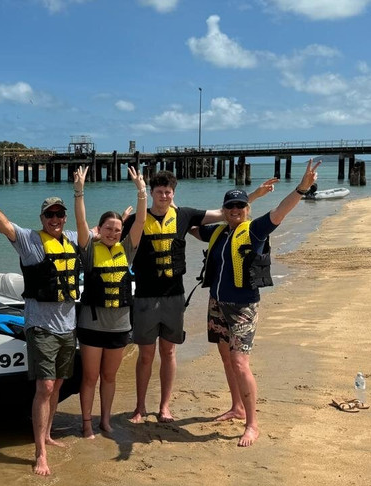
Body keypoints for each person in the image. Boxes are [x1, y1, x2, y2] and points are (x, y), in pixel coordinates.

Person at [125, 170, 277, 423]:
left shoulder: (184, 215)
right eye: (159, 192)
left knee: (169, 352)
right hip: (144, 297)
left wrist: (255, 195)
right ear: (151, 193)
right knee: (145, 355)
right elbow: (113, 240)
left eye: (168, 192)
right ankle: (140, 407)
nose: (163, 196)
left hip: (174, 296)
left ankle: (164, 407)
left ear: (173, 193)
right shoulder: (137, 220)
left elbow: (226, 213)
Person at [191, 158, 322, 446]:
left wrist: (301, 188)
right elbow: (191, 225)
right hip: (217, 303)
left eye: (241, 206)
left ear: (247, 210)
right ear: (224, 210)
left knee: (240, 363)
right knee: (226, 358)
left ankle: (252, 424)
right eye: (230, 206)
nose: (236, 210)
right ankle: (236, 407)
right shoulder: (218, 232)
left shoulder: (255, 230)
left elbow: (281, 211)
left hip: (243, 307)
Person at [0, 170, 80, 476]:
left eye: (59, 214)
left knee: (58, 383)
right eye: (49, 214)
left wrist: (133, 207)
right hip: (41, 326)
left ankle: (48, 433)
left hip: (67, 325)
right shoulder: (29, 240)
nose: (55, 219)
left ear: (65, 217)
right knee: (45, 386)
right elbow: (4, 225)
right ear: (42, 217)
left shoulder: (72, 239)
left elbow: (101, 231)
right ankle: (40, 452)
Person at [72, 164, 148, 438]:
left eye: (117, 230)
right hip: (92, 326)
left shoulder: (126, 250)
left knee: (110, 377)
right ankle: (86, 423)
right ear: (100, 228)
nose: (113, 233)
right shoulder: (90, 250)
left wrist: (142, 192)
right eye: (108, 228)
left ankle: (105, 421)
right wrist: (79, 191)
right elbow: (81, 223)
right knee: (90, 377)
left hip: (119, 326)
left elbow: (140, 223)